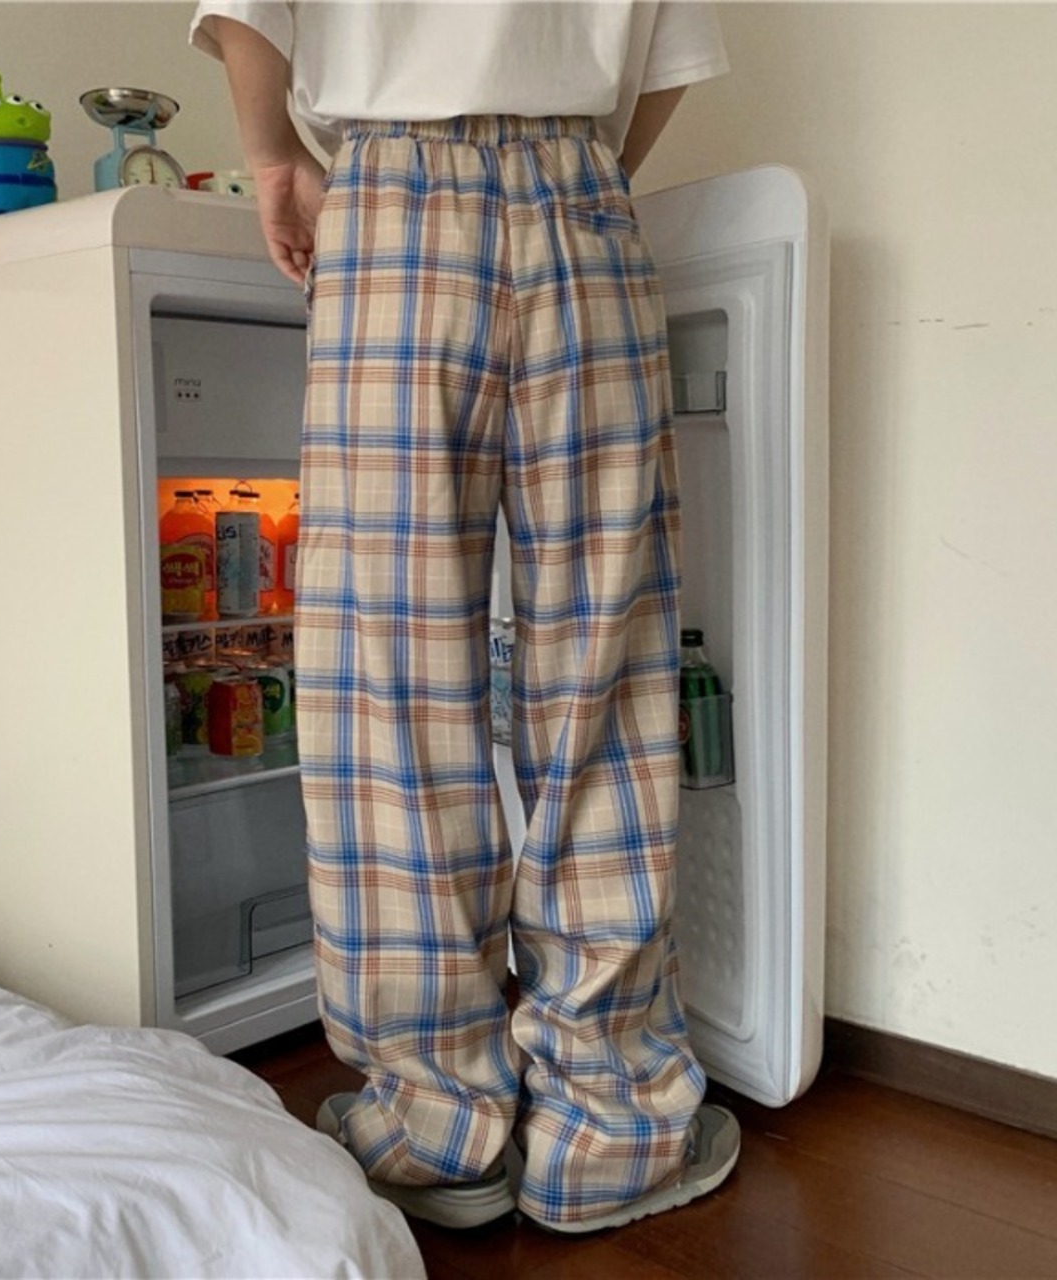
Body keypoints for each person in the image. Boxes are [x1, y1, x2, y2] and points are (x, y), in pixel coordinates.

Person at [190, 0, 737, 1234]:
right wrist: (566, 164)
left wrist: (274, 159)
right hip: (580, 206)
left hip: (390, 208)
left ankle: (433, 1125)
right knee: (600, 671)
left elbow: (249, 13)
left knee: (388, 682)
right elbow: (664, 62)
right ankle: (607, 1127)